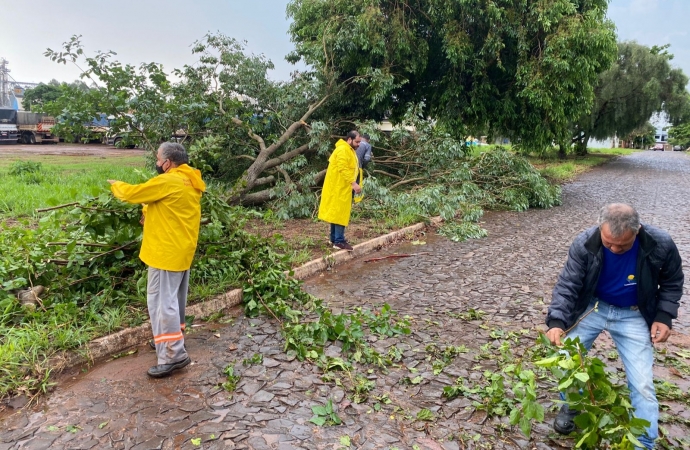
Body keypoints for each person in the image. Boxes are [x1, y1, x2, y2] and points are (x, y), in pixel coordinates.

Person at [546, 203, 683, 449]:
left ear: (637, 230)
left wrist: (663, 316)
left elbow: (672, 281)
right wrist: (556, 321)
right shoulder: (585, 242)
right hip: (593, 307)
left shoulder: (661, 243)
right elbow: (568, 284)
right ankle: (572, 407)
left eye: (623, 245)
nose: (615, 249)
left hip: (633, 313)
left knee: (642, 383)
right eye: (609, 243)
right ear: (600, 229)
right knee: (568, 359)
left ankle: (644, 442)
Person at [108, 142, 206, 378]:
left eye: (158, 158)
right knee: (174, 300)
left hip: (165, 252)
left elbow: (134, 193)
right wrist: (146, 211)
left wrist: (116, 186)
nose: (156, 162)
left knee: (162, 303)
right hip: (181, 250)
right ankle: (172, 340)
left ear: (168, 163)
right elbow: (167, 206)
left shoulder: (166, 181)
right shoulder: (190, 180)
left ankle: (174, 355)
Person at [318, 131, 362, 251]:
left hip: (341, 187)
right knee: (340, 214)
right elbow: (343, 169)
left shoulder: (348, 150)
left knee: (336, 214)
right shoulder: (343, 150)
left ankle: (334, 238)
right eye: (357, 142)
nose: (358, 144)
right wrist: (354, 184)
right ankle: (339, 241)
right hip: (340, 187)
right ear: (349, 139)